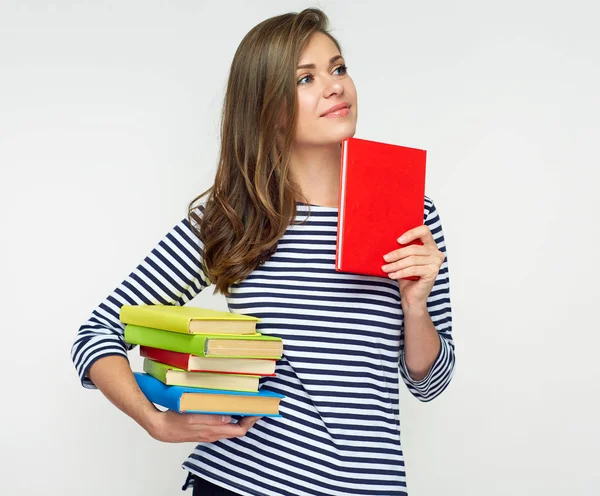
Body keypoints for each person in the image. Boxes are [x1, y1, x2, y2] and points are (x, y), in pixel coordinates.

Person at [71, 8, 455, 496]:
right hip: (245, 483)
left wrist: (415, 304)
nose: (335, 86)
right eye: (305, 78)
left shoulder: (409, 212)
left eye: (338, 68)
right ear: (268, 106)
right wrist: (156, 422)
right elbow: (96, 333)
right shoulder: (237, 217)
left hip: (371, 485)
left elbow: (430, 382)